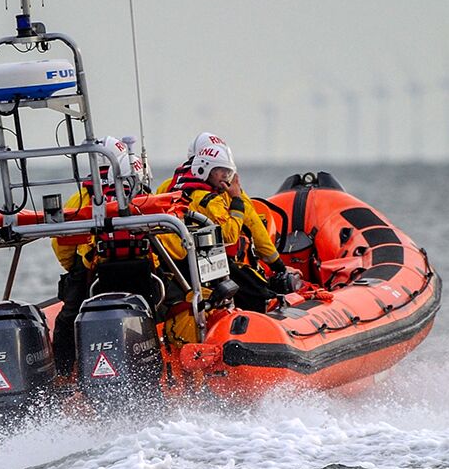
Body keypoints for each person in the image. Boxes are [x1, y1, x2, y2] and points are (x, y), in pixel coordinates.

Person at [157, 134, 296, 313]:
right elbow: (253, 229)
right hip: (211, 262)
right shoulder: (223, 193)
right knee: (259, 294)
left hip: (176, 266)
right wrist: (278, 266)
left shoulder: (169, 187)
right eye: (220, 169)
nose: (224, 175)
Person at [50, 136, 148, 377]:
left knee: (66, 321)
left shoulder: (81, 199)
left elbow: (60, 244)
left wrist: (74, 267)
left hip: (92, 275)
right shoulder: (144, 198)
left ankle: (62, 375)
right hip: (145, 275)